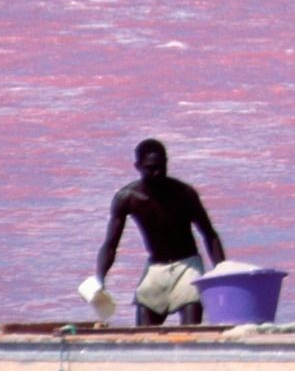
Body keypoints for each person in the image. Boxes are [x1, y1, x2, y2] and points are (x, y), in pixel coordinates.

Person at [96, 138, 226, 327]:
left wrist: (221, 271)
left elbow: (209, 234)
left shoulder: (184, 194)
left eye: (161, 167)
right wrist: (100, 277)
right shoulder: (127, 198)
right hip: (155, 268)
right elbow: (110, 245)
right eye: (150, 168)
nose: (157, 173)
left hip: (187, 267)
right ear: (138, 166)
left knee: (190, 332)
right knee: (143, 335)